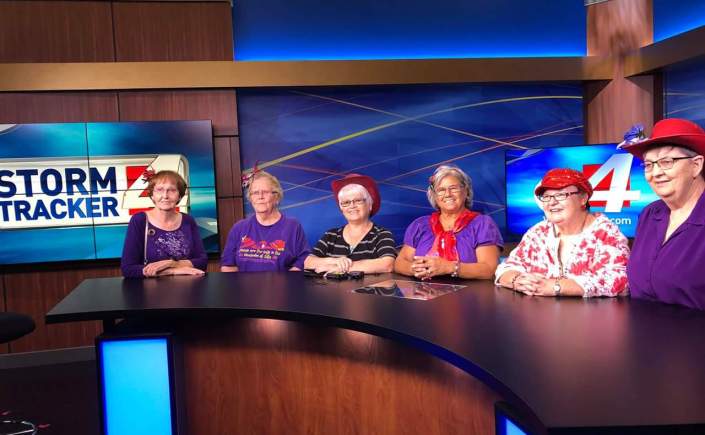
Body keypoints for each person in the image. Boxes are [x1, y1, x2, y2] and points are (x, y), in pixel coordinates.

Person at [495, 168, 629, 297]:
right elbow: (507, 267)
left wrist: (557, 287)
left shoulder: (606, 232)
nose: (552, 202)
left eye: (560, 195)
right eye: (546, 196)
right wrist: (517, 280)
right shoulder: (538, 232)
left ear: (583, 198)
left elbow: (619, 279)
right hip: (540, 311)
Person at [620, 118, 705, 310]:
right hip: (641, 327)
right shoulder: (649, 214)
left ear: (696, 165)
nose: (655, 173)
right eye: (648, 165)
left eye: (666, 162)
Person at [394, 164, 503, 280]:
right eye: (441, 190)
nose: (448, 194)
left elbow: (489, 269)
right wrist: (415, 269)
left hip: (469, 290)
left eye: (453, 188)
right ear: (434, 196)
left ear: (466, 191)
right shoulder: (420, 225)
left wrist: (449, 267)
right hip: (423, 289)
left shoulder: (482, 224)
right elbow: (399, 263)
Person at [121, 170, 207, 278]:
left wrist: (172, 263)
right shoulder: (139, 220)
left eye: (172, 190)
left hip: (188, 286)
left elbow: (202, 262)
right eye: (159, 190)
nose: (165, 196)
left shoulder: (188, 220)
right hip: (150, 288)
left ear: (179, 196)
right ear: (152, 195)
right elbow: (128, 269)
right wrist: (172, 271)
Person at [304, 174, 396, 274]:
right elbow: (307, 262)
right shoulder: (331, 235)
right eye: (346, 202)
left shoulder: (382, 235)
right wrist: (335, 261)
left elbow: (388, 265)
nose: (352, 206)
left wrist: (343, 268)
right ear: (341, 208)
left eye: (358, 201)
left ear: (370, 204)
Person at [221, 170, 309, 272]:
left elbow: (303, 261)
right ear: (250, 198)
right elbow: (228, 265)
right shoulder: (239, 228)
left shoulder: (293, 227)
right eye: (255, 193)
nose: (260, 197)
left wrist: (287, 280)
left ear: (276, 197)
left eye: (265, 192)